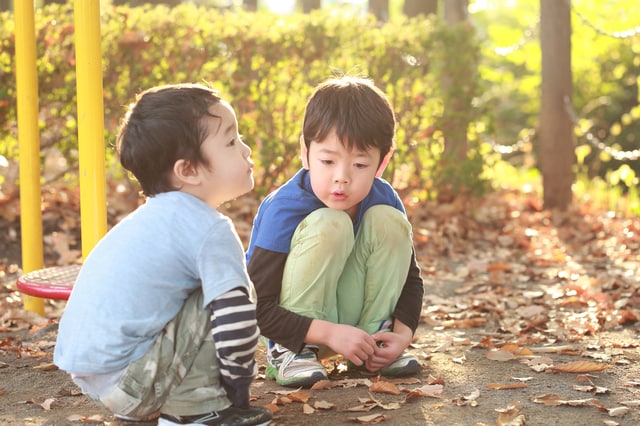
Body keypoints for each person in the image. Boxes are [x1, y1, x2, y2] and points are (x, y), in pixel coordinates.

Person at [54, 83, 272, 426]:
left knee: (216, 285)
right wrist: (237, 390)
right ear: (188, 170)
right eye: (230, 142)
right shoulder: (208, 228)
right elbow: (235, 320)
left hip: (97, 379)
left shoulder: (151, 219)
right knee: (229, 291)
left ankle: (171, 404)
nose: (245, 150)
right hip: (134, 379)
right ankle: (198, 413)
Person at [245, 75, 424, 388]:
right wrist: (327, 333)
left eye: (359, 165)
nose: (341, 178)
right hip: (296, 328)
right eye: (327, 161)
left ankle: (375, 346)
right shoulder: (284, 208)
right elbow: (255, 306)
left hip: (355, 334)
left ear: (382, 163)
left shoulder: (383, 199)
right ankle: (294, 353)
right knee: (331, 223)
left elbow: (410, 279)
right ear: (305, 152)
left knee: (389, 220)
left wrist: (402, 336)